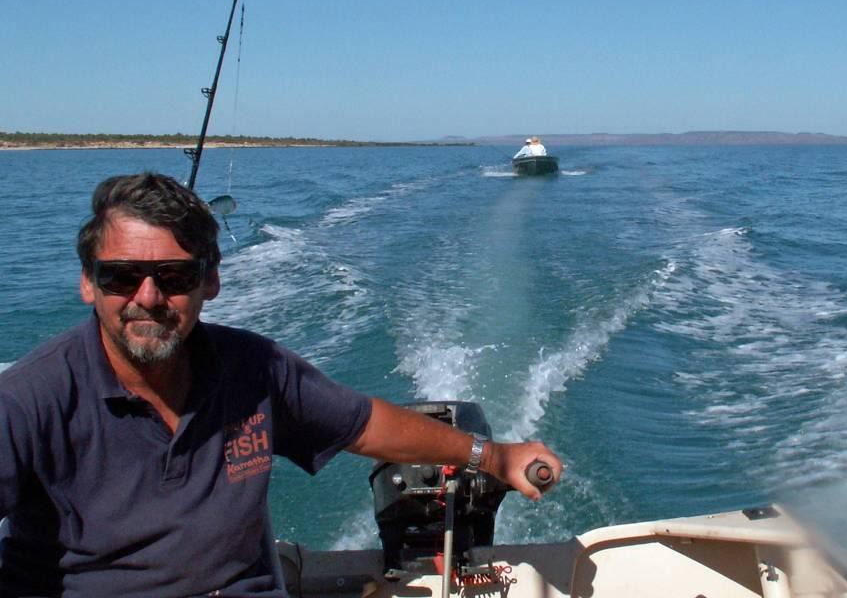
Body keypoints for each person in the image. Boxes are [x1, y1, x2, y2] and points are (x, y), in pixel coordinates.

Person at [0, 172, 562, 597]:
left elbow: (364, 424)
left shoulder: (253, 368)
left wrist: (493, 457)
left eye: (174, 276)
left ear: (210, 282)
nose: (147, 297)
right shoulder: (29, 402)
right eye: (122, 276)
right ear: (88, 282)